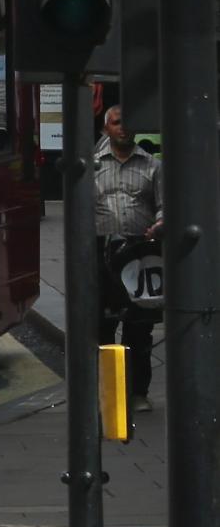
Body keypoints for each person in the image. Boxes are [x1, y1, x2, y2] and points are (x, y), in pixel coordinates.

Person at [94, 103, 162, 410]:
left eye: (127, 122)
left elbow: (164, 205)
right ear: (106, 128)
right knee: (103, 327)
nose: (124, 128)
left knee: (139, 327)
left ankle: (137, 394)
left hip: (139, 254)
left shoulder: (151, 165)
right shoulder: (93, 165)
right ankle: (109, 394)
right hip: (101, 253)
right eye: (117, 123)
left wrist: (160, 222)